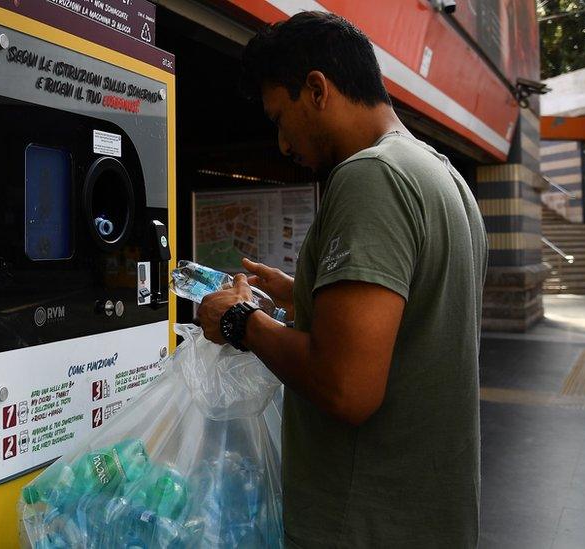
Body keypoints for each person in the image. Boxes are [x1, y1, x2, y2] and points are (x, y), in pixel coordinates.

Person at [197, 11, 488, 548]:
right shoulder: (442, 177)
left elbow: (346, 387)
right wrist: (301, 292)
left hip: (362, 522)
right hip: (429, 517)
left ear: (316, 89)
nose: (282, 144)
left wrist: (241, 321)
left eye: (280, 118)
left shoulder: (370, 175)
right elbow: (415, 316)